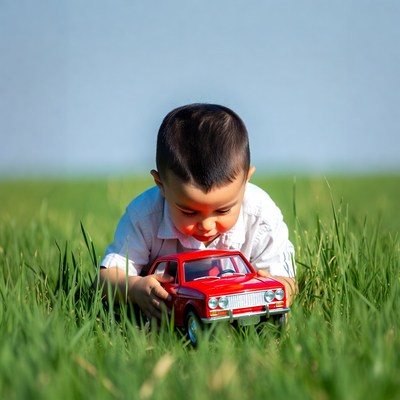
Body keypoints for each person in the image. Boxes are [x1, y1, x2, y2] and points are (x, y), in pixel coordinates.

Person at [99, 103, 296, 320]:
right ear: (161, 184)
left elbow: (287, 282)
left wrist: (279, 286)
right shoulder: (144, 216)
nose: (207, 225)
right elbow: (106, 280)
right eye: (189, 212)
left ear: (245, 181)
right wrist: (135, 288)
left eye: (223, 210)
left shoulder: (260, 215)